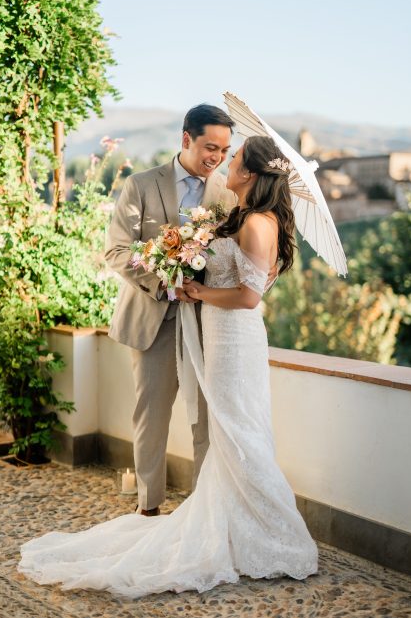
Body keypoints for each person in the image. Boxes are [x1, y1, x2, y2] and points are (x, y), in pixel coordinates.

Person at [18, 134, 318, 597]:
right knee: (224, 430)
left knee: (238, 433)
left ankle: (270, 535)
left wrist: (196, 292)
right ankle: (225, 521)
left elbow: (249, 295)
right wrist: (178, 266)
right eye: (219, 151)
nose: (225, 162)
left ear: (252, 174)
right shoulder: (239, 212)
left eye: (234, 157)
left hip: (233, 339)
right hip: (214, 335)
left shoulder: (257, 222)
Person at [104, 104, 237, 515]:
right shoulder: (141, 184)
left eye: (225, 150)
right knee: (152, 415)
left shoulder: (228, 195)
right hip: (151, 318)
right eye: (209, 147)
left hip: (205, 322)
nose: (216, 157)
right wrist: (163, 281)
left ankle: (202, 512)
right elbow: (116, 250)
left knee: (205, 422)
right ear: (186, 139)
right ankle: (149, 507)